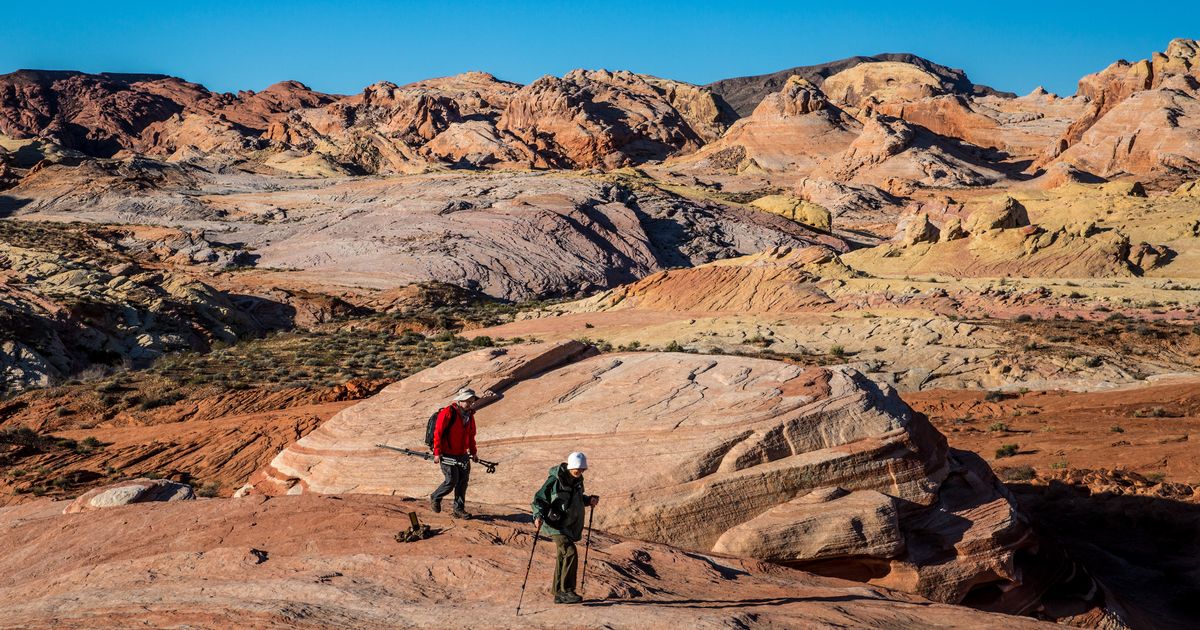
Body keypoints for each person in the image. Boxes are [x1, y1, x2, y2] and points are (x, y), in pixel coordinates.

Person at [531, 451, 599, 605]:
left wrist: (589, 500)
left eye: (583, 470)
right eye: (578, 469)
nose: (580, 472)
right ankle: (567, 590)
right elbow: (539, 499)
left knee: (563, 555)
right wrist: (537, 516)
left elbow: (578, 498)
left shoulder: (578, 480)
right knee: (570, 552)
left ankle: (558, 592)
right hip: (553, 525)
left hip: (566, 525)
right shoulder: (555, 480)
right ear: (571, 467)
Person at [430, 388, 480, 518]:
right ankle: (436, 496)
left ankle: (458, 509)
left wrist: (473, 452)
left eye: (472, 401)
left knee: (463, 482)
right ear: (460, 400)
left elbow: (471, 435)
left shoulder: (470, 415)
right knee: (451, 480)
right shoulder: (448, 413)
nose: (470, 404)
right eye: (468, 401)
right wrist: (437, 452)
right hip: (447, 453)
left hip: (462, 453)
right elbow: (438, 433)